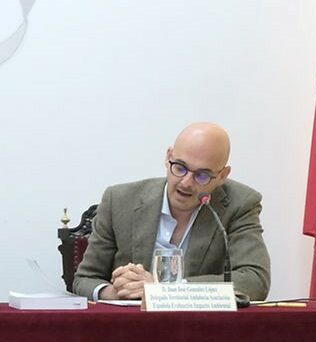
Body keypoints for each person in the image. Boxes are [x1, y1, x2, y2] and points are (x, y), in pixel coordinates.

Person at [72, 122, 271, 302]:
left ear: (222, 176)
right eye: (180, 167)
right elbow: (84, 279)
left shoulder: (240, 204)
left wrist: (165, 289)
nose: (186, 183)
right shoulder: (119, 200)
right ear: (168, 158)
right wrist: (115, 292)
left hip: (200, 327)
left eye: (202, 175)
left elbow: (255, 281)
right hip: (132, 325)